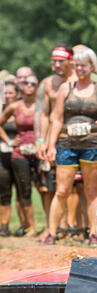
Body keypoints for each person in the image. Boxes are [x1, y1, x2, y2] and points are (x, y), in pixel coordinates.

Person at [46, 47, 97, 246]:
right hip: (66, 144)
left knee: (92, 191)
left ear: (92, 66)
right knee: (61, 190)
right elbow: (57, 119)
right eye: (77, 65)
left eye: (84, 65)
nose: (80, 69)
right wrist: (50, 145)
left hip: (92, 144)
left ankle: (94, 233)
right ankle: (51, 233)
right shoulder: (65, 89)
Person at [34, 45, 75, 240]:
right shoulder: (47, 84)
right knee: (53, 185)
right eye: (54, 61)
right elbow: (42, 114)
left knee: (79, 186)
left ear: (70, 61)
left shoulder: (80, 81)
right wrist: (41, 140)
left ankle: (73, 224)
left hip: (78, 139)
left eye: (60, 61)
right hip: (54, 140)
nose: (56, 65)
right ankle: (54, 225)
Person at [0, 74, 41, 236]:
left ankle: (56, 228)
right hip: (20, 153)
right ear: (21, 86)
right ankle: (30, 227)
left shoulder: (42, 106)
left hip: (39, 152)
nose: (29, 85)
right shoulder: (14, 107)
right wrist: (9, 142)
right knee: (24, 191)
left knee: (46, 189)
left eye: (33, 83)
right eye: (26, 83)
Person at [0, 81, 19, 236]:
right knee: (4, 192)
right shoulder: (2, 109)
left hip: (21, 156)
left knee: (23, 192)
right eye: (5, 93)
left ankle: (25, 226)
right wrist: (8, 141)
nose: (7, 95)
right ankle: (4, 226)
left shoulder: (22, 108)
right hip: (3, 157)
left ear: (17, 94)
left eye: (10, 92)